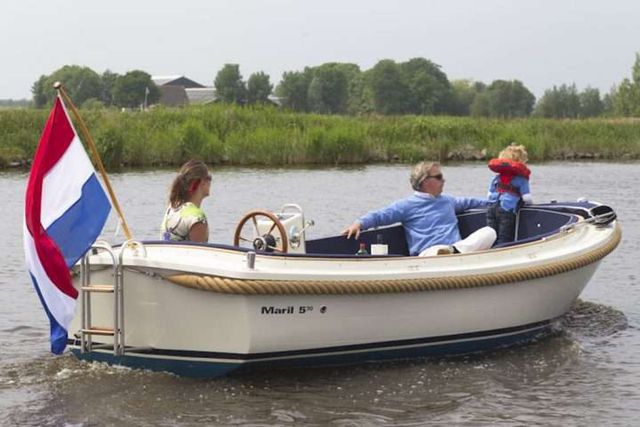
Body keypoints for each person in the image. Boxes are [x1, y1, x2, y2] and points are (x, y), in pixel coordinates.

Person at [342, 161, 496, 256]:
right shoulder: (407, 205)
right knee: (436, 252)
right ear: (425, 181)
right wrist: (359, 223)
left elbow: (471, 202)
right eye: (438, 177)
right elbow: (381, 215)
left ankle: (453, 251)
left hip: (455, 250)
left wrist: (497, 203)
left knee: (489, 232)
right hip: (428, 255)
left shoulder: (448, 201)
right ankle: (451, 253)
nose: (443, 180)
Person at [487, 144, 533, 245]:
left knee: (491, 235)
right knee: (504, 236)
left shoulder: (497, 178)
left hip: (491, 208)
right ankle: (501, 251)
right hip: (507, 209)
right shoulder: (521, 179)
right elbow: (527, 198)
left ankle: (490, 250)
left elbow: (489, 195)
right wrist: (531, 205)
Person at [161, 159, 212, 242]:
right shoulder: (197, 217)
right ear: (202, 182)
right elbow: (199, 249)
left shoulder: (172, 208)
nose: (211, 182)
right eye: (209, 177)